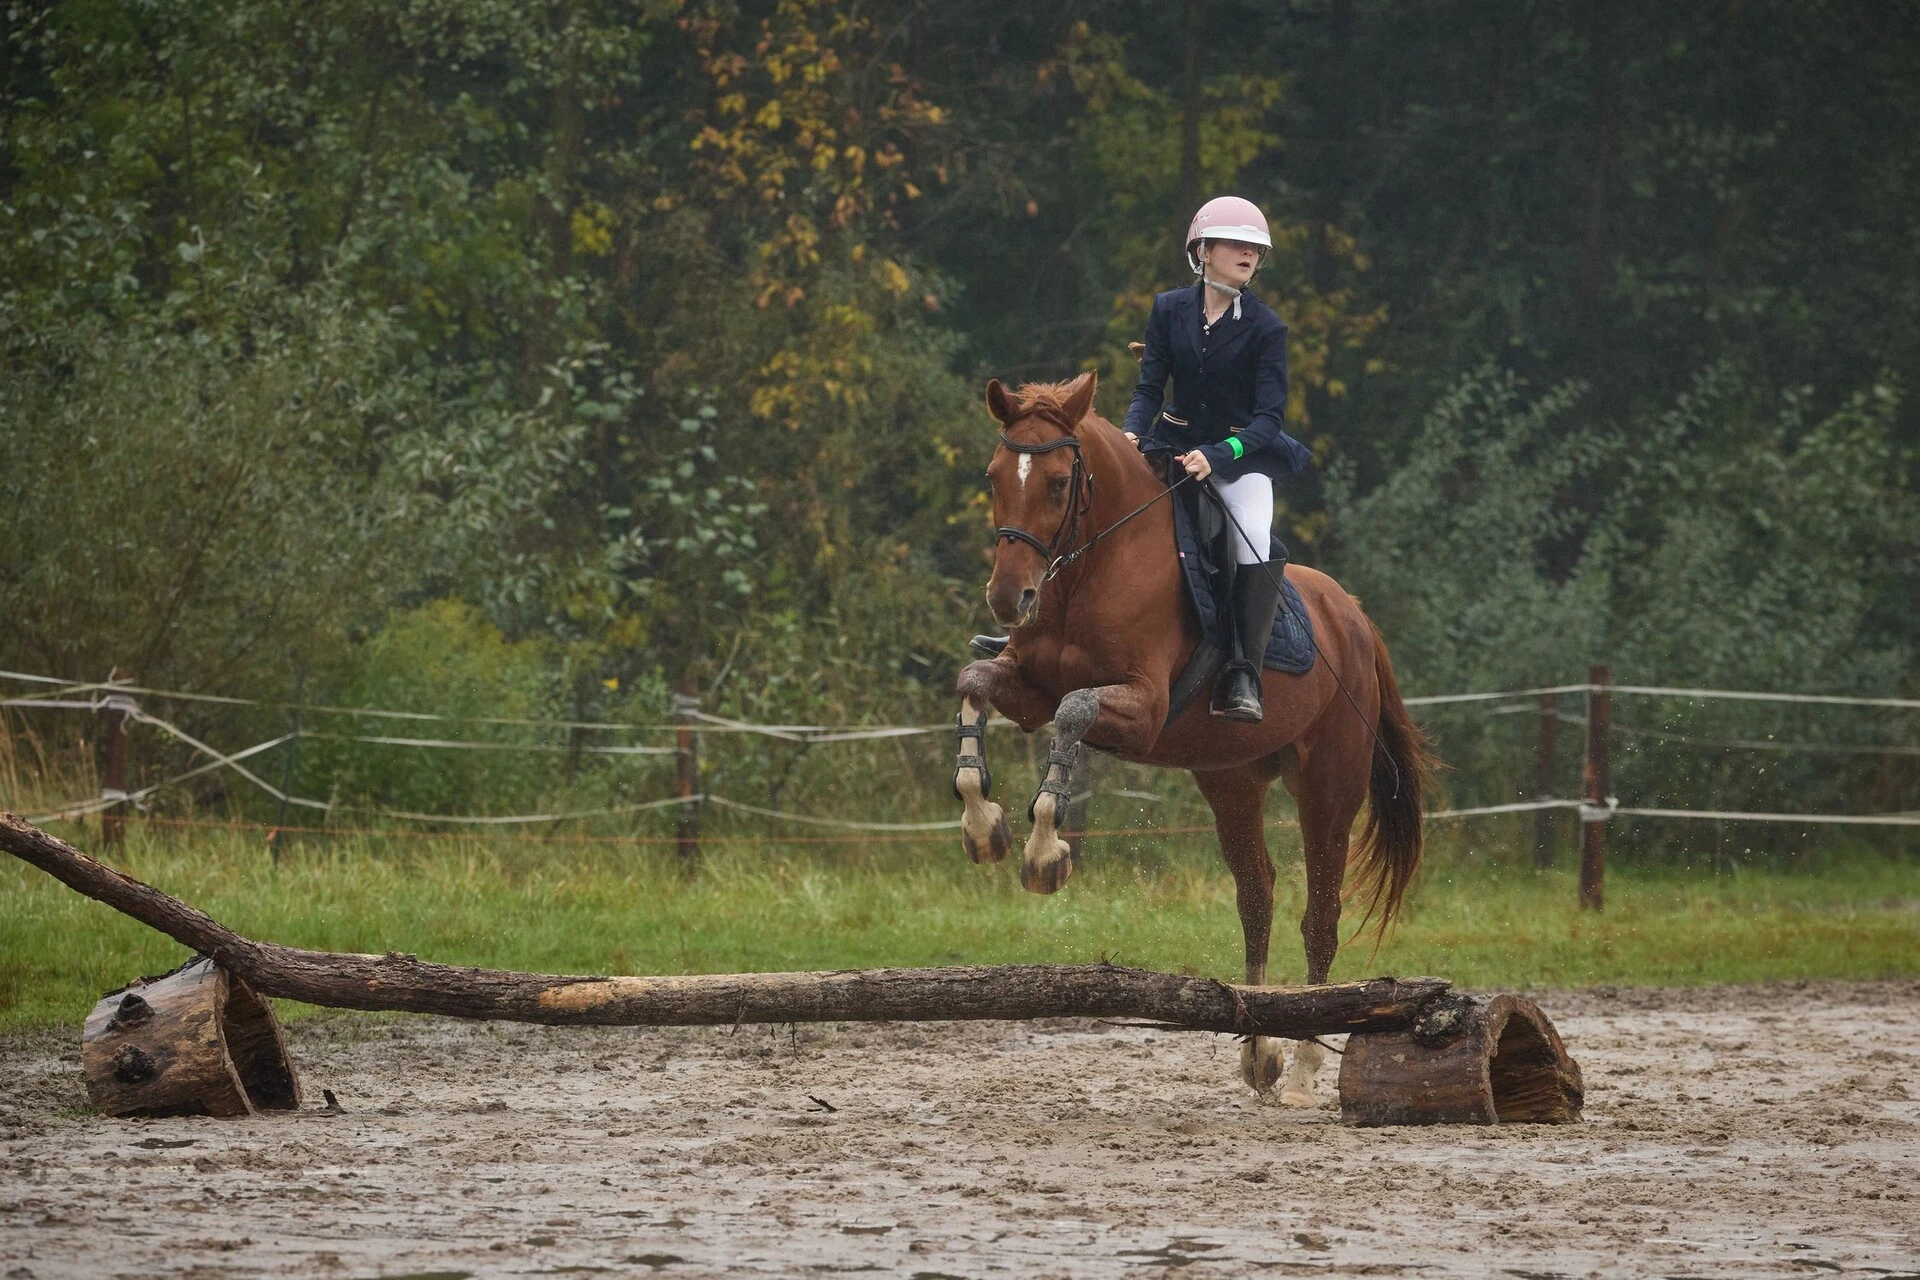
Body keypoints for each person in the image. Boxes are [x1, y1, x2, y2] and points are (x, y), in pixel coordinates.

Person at [1122, 195, 1313, 723]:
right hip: (1170, 446)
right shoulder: (1167, 309)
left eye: (1255, 249)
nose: (1248, 254)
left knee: (1249, 536)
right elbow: (1148, 389)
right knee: (1100, 503)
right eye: (1236, 244)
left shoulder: (1266, 328)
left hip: (1239, 459)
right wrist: (1131, 435)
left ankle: (1243, 672)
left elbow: (1269, 420)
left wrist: (1218, 454)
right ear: (1202, 251)